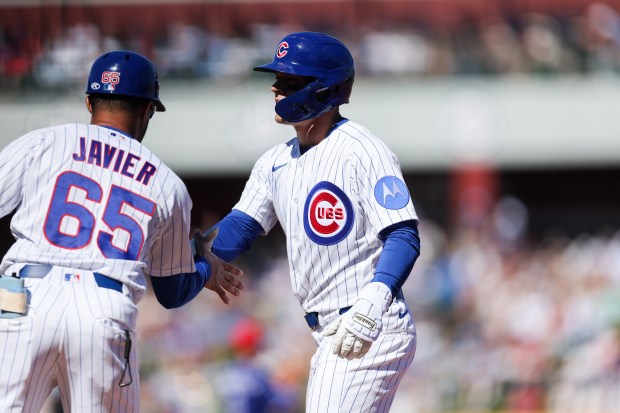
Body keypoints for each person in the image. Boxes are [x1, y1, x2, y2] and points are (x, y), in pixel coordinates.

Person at [0, 50, 244, 412]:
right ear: (148, 110)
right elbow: (172, 291)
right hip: (104, 309)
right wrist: (205, 269)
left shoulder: (43, 143)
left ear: (88, 102)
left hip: (22, 295)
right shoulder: (167, 183)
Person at [200, 32, 421, 412]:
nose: (275, 88)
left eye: (289, 82)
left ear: (323, 91)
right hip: (327, 329)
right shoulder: (274, 162)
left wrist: (373, 301)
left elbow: (403, 234)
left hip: (370, 322)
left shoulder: (362, 150)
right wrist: (193, 252)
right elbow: (240, 227)